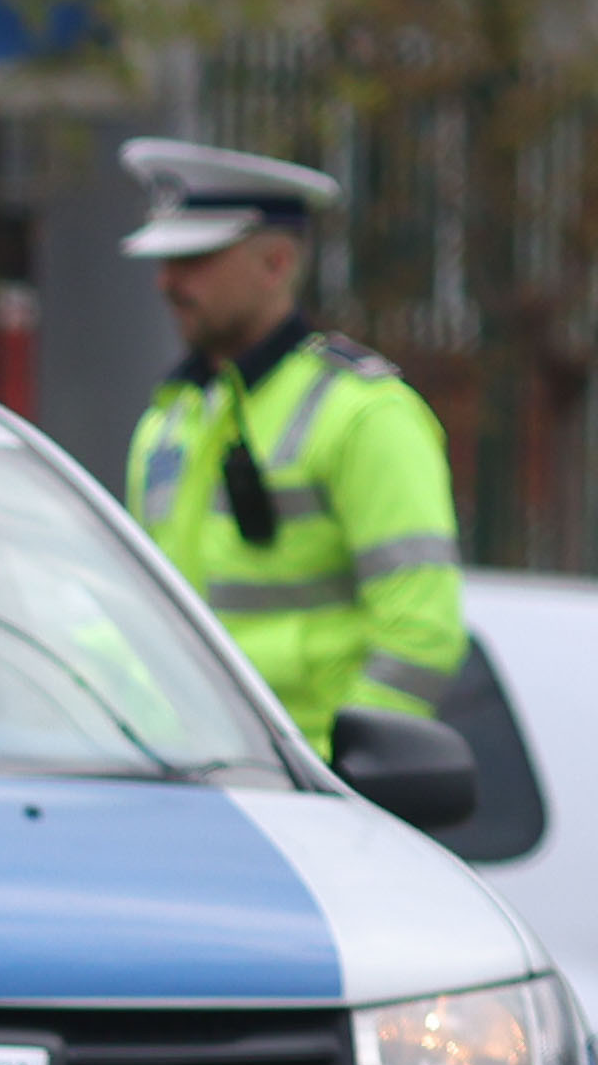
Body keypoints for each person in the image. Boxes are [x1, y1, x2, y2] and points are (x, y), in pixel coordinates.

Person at [114, 139, 469, 748]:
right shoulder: (169, 421)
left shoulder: (364, 415)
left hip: (314, 786)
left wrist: (348, 769)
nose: (167, 282)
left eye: (194, 259)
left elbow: (422, 630)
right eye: (165, 261)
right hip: (195, 781)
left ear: (276, 264)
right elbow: (138, 622)